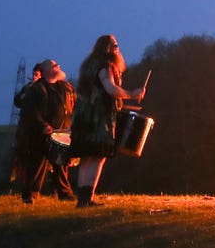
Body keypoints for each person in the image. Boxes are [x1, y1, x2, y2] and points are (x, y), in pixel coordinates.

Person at [69, 35, 145, 208]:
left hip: (84, 117)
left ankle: (83, 199)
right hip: (99, 118)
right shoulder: (105, 66)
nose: (118, 48)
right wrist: (132, 94)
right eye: (115, 45)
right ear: (108, 48)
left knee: (87, 157)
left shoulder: (89, 64)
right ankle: (87, 198)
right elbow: (110, 89)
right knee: (97, 156)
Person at [17, 59, 76, 203]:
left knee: (60, 165)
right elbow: (30, 110)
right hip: (40, 134)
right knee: (37, 165)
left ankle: (64, 193)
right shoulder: (36, 89)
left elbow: (73, 103)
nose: (59, 66)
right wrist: (43, 125)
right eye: (55, 65)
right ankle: (30, 195)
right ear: (48, 70)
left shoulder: (65, 86)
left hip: (61, 133)